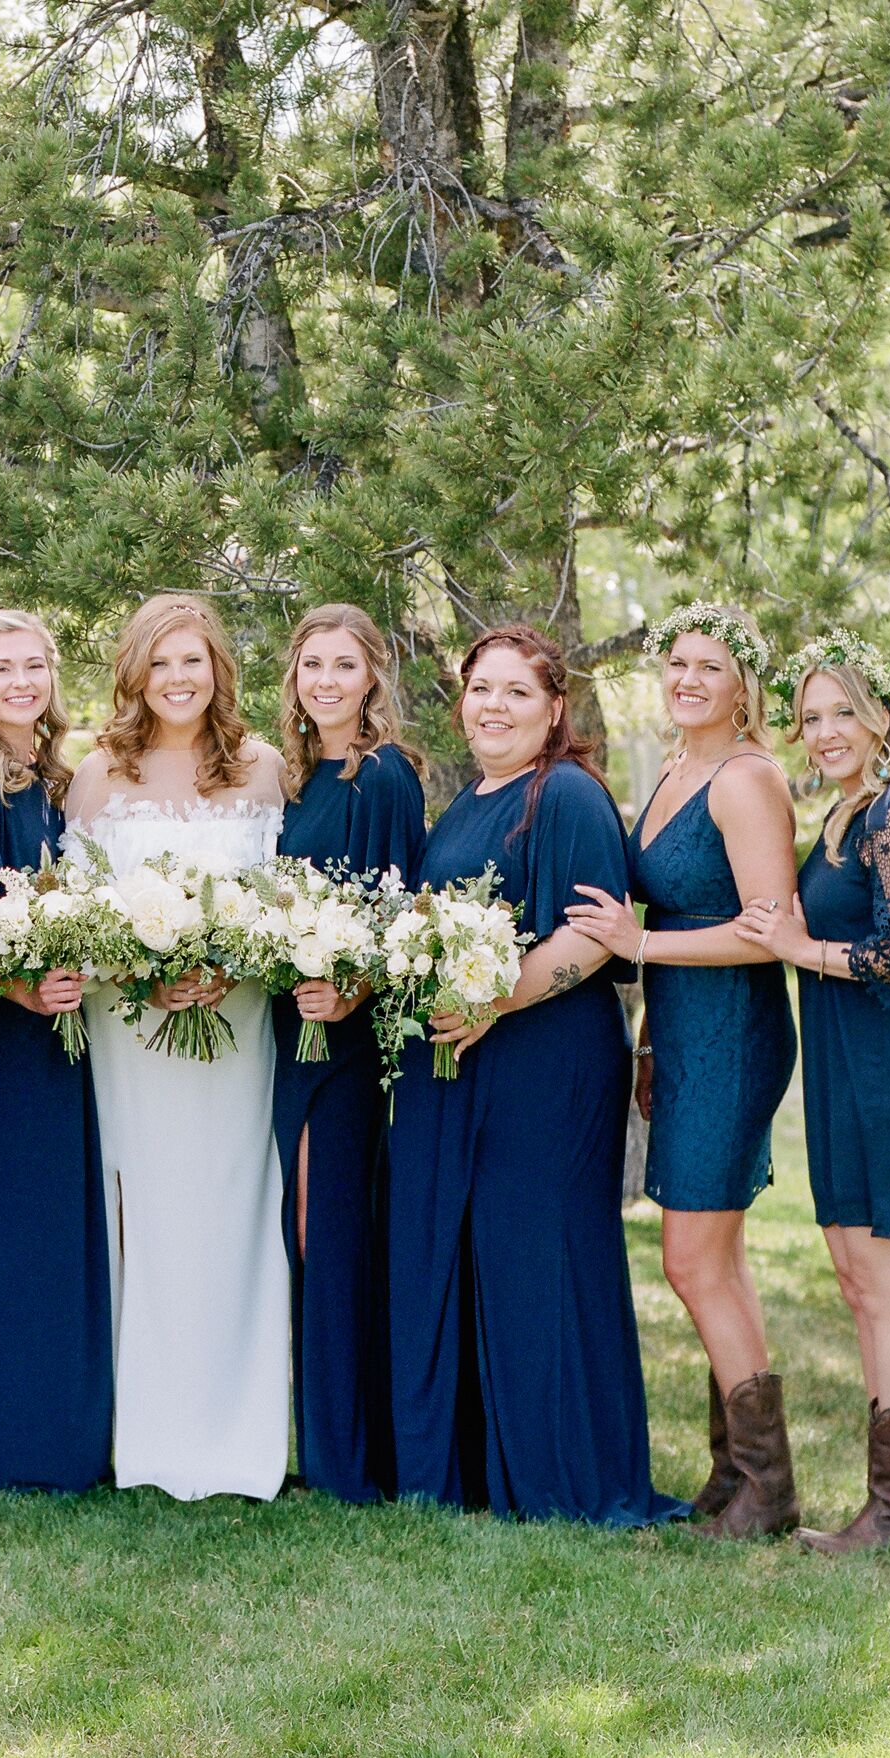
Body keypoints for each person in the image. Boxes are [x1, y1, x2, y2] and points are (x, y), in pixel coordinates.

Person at [388, 625, 686, 1528]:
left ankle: (566, 1476)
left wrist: (493, 1004)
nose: (494, 707)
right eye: (482, 689)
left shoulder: (568, 797)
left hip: (548, 1065)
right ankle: (483, 1468)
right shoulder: (466, 801)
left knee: (543, 1256)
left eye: (518, 692)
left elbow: (594, 937)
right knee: (482, 1251)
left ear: (555, 709)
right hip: (468, 1064)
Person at [568, 601, 802, 1538]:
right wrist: (652, 1041)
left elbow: (766, 932)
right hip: (683, 1033)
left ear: (743, 686)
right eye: (677, 661)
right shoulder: (674, 768)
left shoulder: (746, 781)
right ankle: (736, 1480)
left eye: (712, 666)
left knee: (690, 1260)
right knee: (720, 1262)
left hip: (735, 1034)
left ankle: (769, 1488)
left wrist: (642, 944)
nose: (689, 679)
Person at [64, 593, 291, 1503]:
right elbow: (73, 916)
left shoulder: (266, 768)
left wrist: (237, 964)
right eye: (160, 663)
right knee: (146, 1213)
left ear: (219, 669)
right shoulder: (95, 776)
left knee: (236, 1209)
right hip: (132, 1031)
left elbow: (286, 902)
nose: (178, 679)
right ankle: (147, 1436)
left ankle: (241, 1434)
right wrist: (145, 974)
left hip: (238, 1031)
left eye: (193, 660)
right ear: (134, 673)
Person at [739, 638, 890, 1553]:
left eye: (843, 712)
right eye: (812, 715)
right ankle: (886, 1512)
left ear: (881, 718)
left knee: (887, 1289)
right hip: (844, 1072)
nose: (826, 731)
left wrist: (803, 953)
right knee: (855, 1277)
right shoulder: (842, 815)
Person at [0, 609, 113, 1493]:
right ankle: (6, 1449)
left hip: (60, 1032)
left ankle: (65, 1438)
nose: (21, 683)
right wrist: (24, 991)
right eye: (3, 669)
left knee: (58, 1230)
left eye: (34, 666)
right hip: (1, 1039)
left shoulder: (52, 779)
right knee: (11, 1233)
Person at [271, 602, 427, 1503]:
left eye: (343, 666)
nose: (325, 681)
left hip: (344, 1033)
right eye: (311, 666)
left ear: (372, 676)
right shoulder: (297, 779)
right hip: (289, 1028)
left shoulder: (387, 778)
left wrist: (354, 992)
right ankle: (323, 1440)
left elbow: (402, 912)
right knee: (301, 1230)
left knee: (326, 1226)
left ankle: (348, 1462)